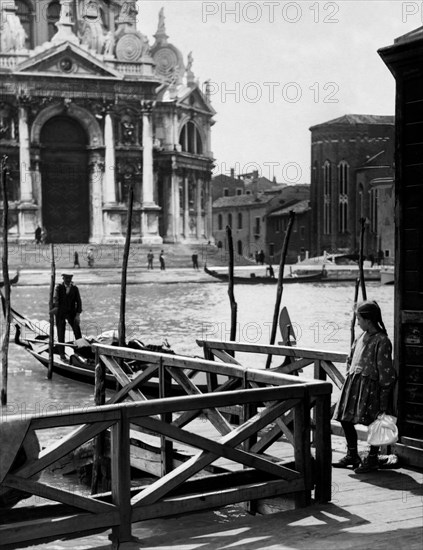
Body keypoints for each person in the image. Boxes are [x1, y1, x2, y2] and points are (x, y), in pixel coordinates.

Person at [332, 300, 396, 473]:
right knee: (344, 419)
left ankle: (373, 459)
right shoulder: (361, 336)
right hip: (354, 385)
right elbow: (351, 357)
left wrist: (384, 395)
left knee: (375, 423)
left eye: (359, 319)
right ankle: (353, 455)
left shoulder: (382, 341)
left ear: (368, 320)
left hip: (372, 388)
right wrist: (349, 378)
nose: (357, 322)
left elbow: (385, 370)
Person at [51, 273, 82, 360]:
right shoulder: (59, 287)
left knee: (77, 330)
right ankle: (62, 354)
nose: (68, 280)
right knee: (61, 332)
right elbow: (55, 299)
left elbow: (78, 302)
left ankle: (80, 352)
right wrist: (55, 309)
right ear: (63, 279)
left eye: (69, 279)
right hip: (60, 312)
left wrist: (78, 315)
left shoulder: (75, 288)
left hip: (71, 312)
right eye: (66, 279)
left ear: (71, 279)